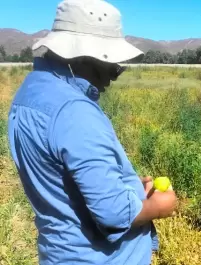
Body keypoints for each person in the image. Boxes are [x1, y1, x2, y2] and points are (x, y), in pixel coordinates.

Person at [7, 0, 177, 264]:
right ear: (85, 57)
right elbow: (116, 216)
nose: (113, 76)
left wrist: (129, 189)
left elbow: (64, 183)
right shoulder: (74, 112)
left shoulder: (30, 93)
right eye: (113, 66)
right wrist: (161, 206)